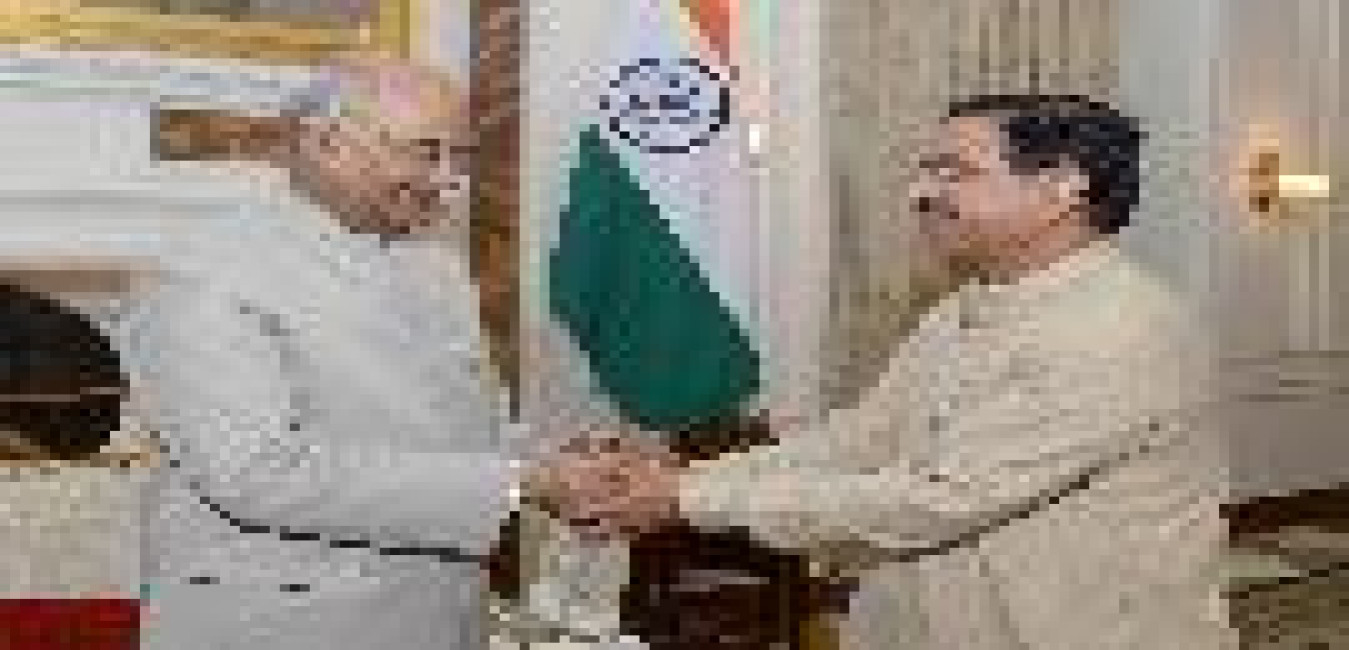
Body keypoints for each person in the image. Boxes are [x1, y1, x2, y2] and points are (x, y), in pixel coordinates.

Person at [535, 94, 1234, 649]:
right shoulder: (967, 306)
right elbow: (866, 438)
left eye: (955, 172)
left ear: (1062, 191)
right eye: (927, 170)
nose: (920, 192)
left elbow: (942, 497)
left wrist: (682, 499)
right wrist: (688, 480)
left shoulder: (1117, 330)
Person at [120, 59, 528, 650]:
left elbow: (463, 428)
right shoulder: (206, 269)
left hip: (438, 616)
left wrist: (560, 465)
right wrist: (519, 483)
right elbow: (259, 473)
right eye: (425, 152)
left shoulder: (436, 267)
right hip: (287, 626)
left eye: (458, 156)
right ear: (325, 143)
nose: (447, 179)